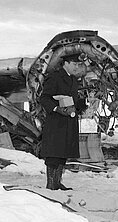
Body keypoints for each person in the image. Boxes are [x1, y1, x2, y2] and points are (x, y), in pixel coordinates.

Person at [40, 52, 87, 190]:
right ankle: (51, 184)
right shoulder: (54, 78)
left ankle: (57, 182)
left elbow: (74, 101)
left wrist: (83, 104)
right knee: (54, 154)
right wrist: (56, 109)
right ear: (65, 63)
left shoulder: (73, 79)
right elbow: (44, 98)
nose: (77, 67)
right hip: (56, 122)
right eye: (74, 64)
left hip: (69, 122)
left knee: (63, 153)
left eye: (78, 65)